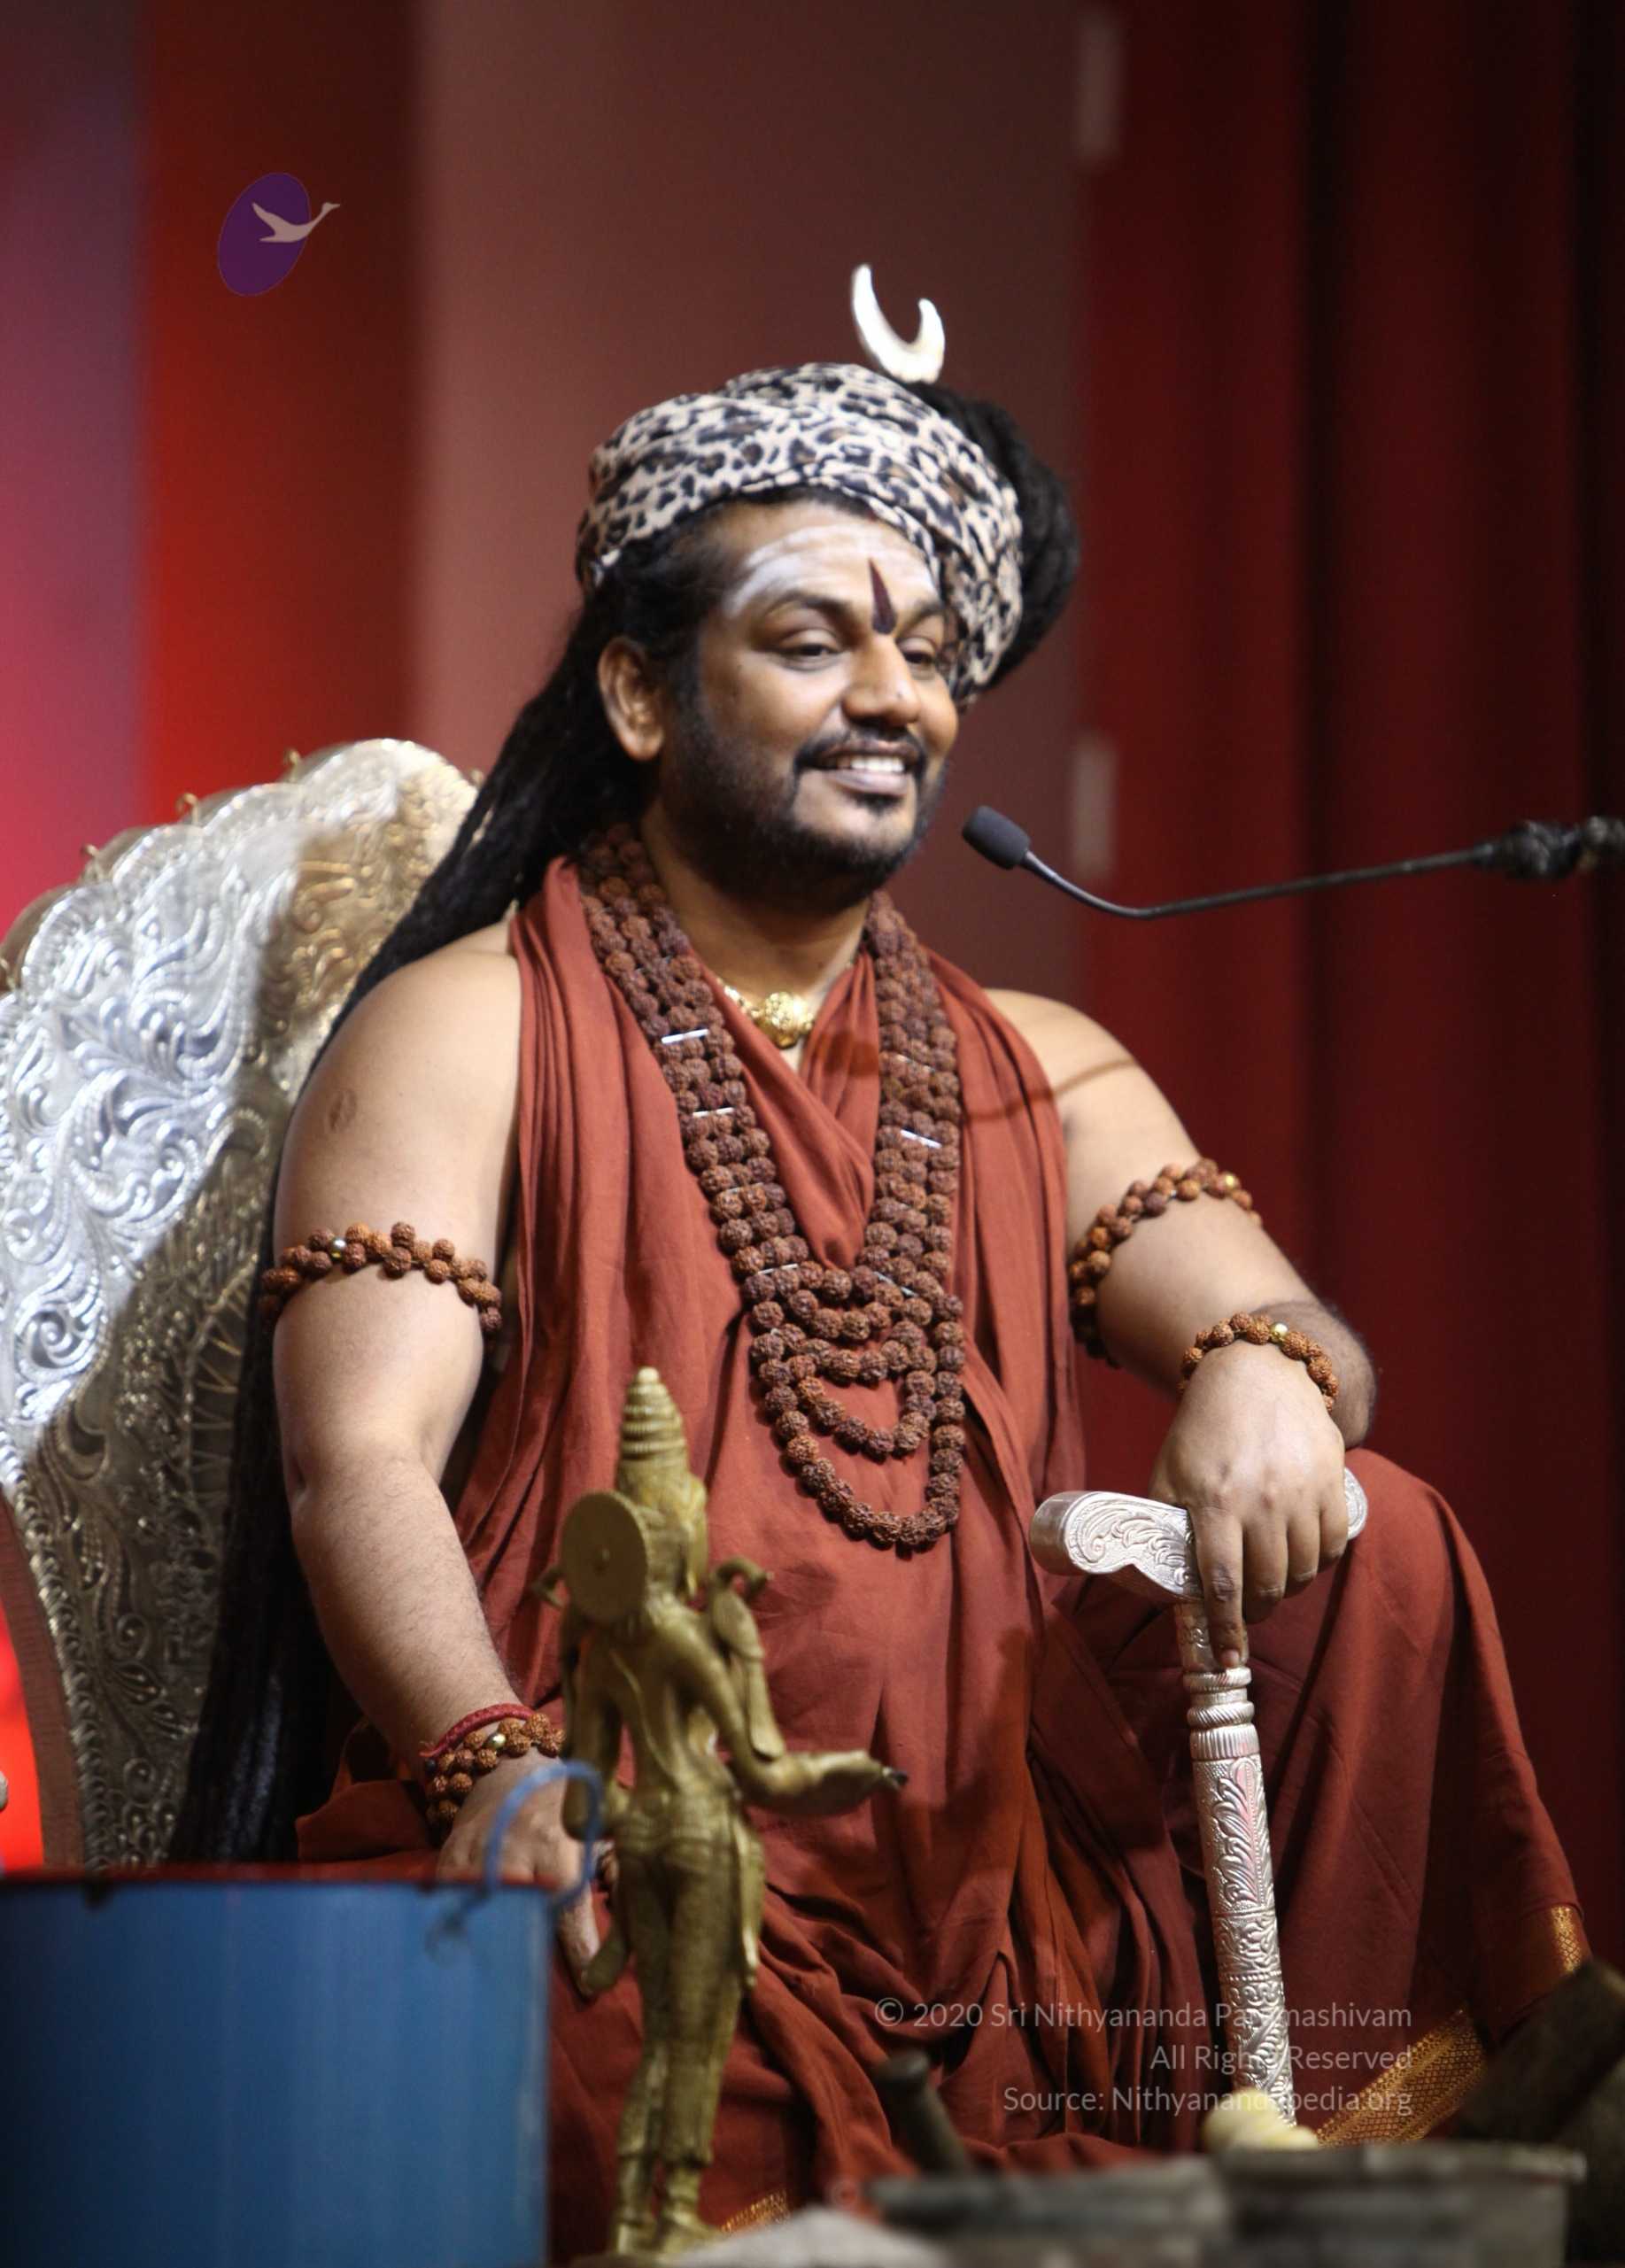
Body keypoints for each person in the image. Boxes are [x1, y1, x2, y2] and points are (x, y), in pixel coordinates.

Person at [174, 360, 1584, 2255]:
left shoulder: (1034, 1065)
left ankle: (1352, 2174)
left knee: (1378, 1540)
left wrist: (1264, 1369)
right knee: (583, 2048)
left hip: (1004, 1876)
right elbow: (356, 1456)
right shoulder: (473, 1027)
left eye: (924, 652)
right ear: (638, 694)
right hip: (630, 1828)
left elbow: (1288, 1328)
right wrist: (493, 1770)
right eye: (811, 641)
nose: (892, 696)